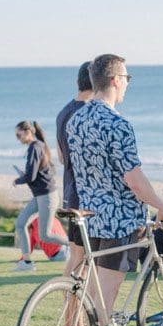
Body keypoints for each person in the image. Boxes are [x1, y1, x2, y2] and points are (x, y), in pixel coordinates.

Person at [67, 53, 163, 326]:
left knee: (97, 290)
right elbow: (135, 180)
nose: (127, 83)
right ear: (115, 80)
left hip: (90, 216)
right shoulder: (118, 123)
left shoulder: (77, 120)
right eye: (126, 77)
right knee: (107, 295)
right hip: (119, 220)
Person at [13, 120, 69, 271]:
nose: (18, 139)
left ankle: (77, 245)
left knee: (45, 235)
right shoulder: (37, 147)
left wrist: (18, 180)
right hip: (40, 196)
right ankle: (26, 263)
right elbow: (37, 174)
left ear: (28, 132)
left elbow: (31, 176)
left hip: (47, 196)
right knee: (20, 223)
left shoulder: (35, 147)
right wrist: (24, 176)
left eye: (19, 135)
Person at [56, 62, 94, 279]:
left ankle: (72, 313)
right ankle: (74, 313)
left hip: (71, 192)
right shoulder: (88, 113)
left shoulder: (64, 112)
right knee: (84, 259)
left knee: (76, 256)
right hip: (86, 196)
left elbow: (62, 156)